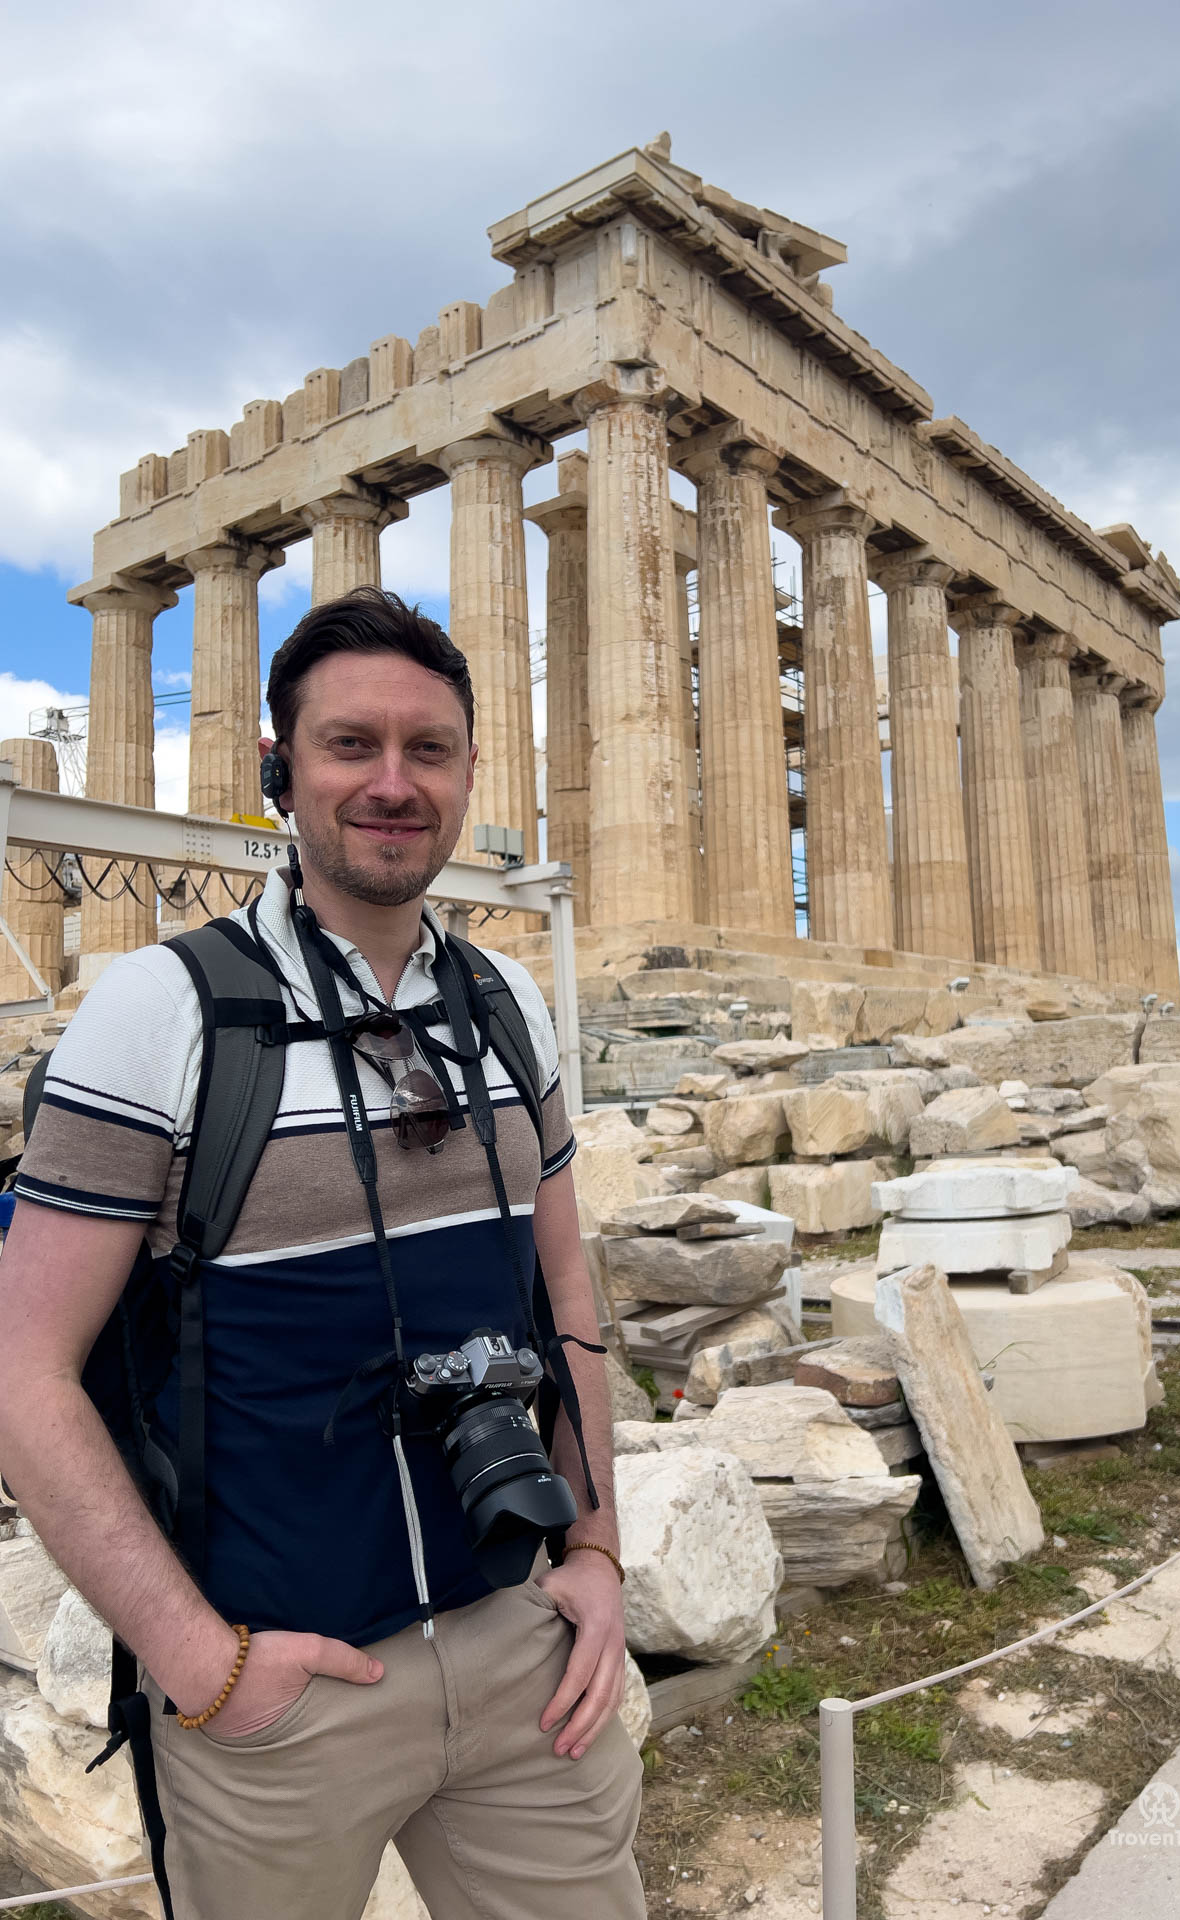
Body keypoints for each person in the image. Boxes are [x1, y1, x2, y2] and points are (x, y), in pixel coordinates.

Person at [0, 588, 644, 1920]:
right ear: (278, 772)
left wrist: (597, 1554)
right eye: (352, 744)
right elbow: (20, 1368)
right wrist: (196, 1661)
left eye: (432, 748)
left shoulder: (511, 1008)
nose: (394, 783)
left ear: (470, 772)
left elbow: (567, 1295)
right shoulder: (160, 1014)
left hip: (521, 1649)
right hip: (273, 1689)